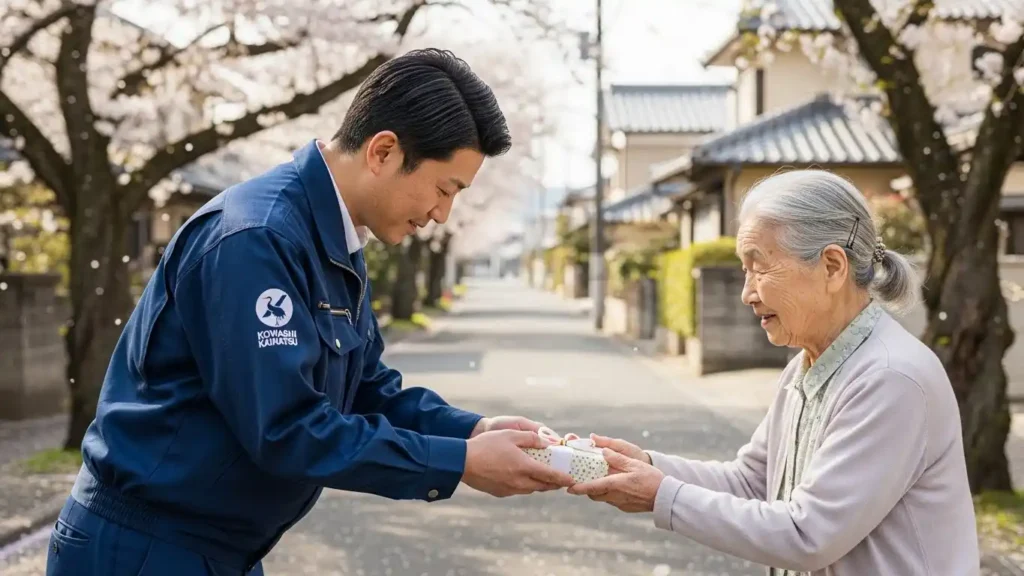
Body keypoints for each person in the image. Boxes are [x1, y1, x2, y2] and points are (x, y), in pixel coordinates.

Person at [47, 48, 573, 576]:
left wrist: (473, 432)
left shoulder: (334, 239)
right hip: (146, 548)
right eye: (443, 189)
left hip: (213, 549)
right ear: (383, 151)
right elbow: (286, 429)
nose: (442, 214)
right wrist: (459, 463)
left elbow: (365, 388)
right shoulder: (257, 238)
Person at [569, 170, 979, 575]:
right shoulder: (810, 364)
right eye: (745, 270)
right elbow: (753, 482)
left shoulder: (890, 378)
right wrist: (642, 465)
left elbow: (807, 534)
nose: (747, 293)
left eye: (759, 268)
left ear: (832, 267)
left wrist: (660, 494)